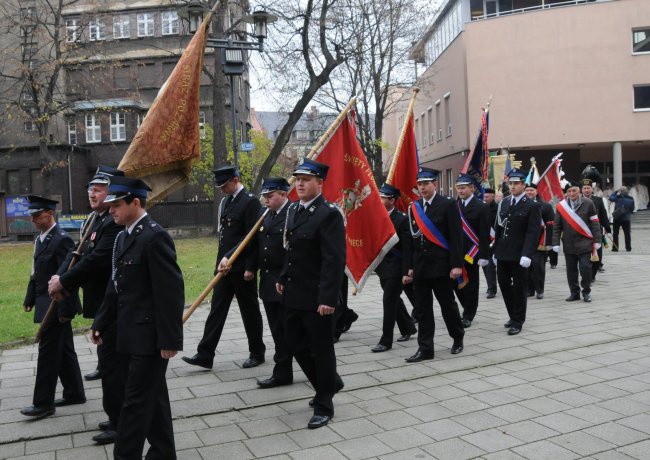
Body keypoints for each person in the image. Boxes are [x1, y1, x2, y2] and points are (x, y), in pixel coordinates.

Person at [91, 176, 184, 459]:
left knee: (133, 404)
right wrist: (101, 321)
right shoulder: (123, 236)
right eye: (110, 206)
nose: (111, 211)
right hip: (127, 332)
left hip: (150, 338)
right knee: (154, 398)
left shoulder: (154, 236)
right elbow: (116, 286)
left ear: (135, 202)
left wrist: (170, 340)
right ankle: (163, 452)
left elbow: (170, 293)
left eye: (116, 205)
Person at [47, 165, 124, 444]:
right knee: (109, 364)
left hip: (113, 304)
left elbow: (98, 260)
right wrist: (62, 277)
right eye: (91, 188)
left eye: (99, 189)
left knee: (112, 365)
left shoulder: (113, 223)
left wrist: (64, 282)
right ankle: (117, 414)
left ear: (112, 193)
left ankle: (121, 423)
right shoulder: (95, 218)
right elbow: (79, 252)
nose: (92, 193)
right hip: (101, 303)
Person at [276, 158, 345, 429]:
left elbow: (333, 260)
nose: (300, 183)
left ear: (320, 183)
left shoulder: (328, 213)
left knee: (321, 349)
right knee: (293, 343)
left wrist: (328, 299)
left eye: (306, 179)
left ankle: (324, 402)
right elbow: (291, 249)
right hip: (294, 293)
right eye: (298, 179)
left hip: (318, 298)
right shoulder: (294, 210)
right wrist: (283, 276)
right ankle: (328, 383)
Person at [183, 166, 266, 370]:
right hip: (224, 268)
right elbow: (225, 237)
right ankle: (205, 354)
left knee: (249, 311)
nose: (222, 189)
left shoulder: (250, 201)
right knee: (216, 310)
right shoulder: (227, 201)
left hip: (241, 269)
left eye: (225, 185)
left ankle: (257, 352)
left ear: (236, 179)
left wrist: (250, 268)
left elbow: (252, 237)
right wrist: (221, 260)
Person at [20, 195, 85, 420]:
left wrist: (66, 311)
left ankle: (43, 403)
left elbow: (67, 276)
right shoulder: (40, 239)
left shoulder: (62, 239)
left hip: (56, 306)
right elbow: (36, 271)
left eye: (37, 215)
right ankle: (75, 392)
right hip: (44, 302)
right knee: (64, 349)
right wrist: (30, 298)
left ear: (50, 213)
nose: (33, 220)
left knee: (47, 353)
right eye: (32, 216)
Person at [406, 167, 465, 362]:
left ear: (435, 184)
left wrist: (457, 265)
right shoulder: (414, 208)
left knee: (447, 306)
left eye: (426, 183)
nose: (422, 187)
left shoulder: (448, 205)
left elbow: (456, 237)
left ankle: (457, 337)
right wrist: (409, 266)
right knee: (422, 310)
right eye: (419, 184)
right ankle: (425, 349)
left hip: (442, 267)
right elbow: (411, 241)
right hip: (421, 267)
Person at [243, 177, 294, 389]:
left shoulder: (293, 214)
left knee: (291, 331)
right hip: (268, 281)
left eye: (270, 196)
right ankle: (283, 372)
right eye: (264, 196)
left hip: (286, 282)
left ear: (283, 194)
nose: (266, 200)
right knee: (277, 329)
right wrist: (249, 267)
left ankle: (324, 374)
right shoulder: (265, 215)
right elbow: (256, 244)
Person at [493, 169, 541, 336]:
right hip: (503, 252)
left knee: (520, 288)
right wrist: (494, 250)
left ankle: (518, 320)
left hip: (519, 254)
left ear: (523, 185)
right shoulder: (504, 203)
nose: (512, 186)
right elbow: (498, 227)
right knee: (504, 285)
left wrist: (527, 254)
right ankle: (512, 315)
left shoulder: (531, 205)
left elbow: (533, 232)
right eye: (510, 183)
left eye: (516, 184)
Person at [370, 183, 417, 353]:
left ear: (392, 200)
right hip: (382, 266)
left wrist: (407, 271)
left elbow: (407, 247)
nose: (380, 200)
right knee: (394, 300)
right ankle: (408, 327)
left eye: (383, 197)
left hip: (396, 268)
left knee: (389, 301)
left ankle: (386, 340)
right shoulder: (377, 217)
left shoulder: (402, 219)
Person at [553, 181, 602, 303]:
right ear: (566, 193)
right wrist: (555, 242)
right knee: (571, 270)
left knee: (585, 268)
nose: (571, 193)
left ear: (579, 191)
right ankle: (574, 292)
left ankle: (586, 291)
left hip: (585, 242)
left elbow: (595, 223)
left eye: (574, 190)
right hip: (569, 243)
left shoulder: (588, 203)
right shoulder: (561, 206)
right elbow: (557, 226)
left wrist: (597, 240)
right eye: (569, 191)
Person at [453, 174, 491, 328]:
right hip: (456, 251)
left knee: (472, 284)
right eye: (459, 188)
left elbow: (484, 233)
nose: (460, 191)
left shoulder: (482, 207)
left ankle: (469, 314)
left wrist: (484, 254)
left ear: (472, 188)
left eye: (463, 188)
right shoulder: (454, 206)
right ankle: (465, 306)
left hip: (472, 252)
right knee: (457, 283)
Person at [524, 183, 554, 300]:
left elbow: (551, 224)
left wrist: (550, 243)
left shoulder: (545, 206)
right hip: (525, 241)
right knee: (526, 267)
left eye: (532, 190)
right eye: (527, 190)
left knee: (538, 267)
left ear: (536, 192)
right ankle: (529, 290)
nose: (529, 192)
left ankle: (539, 289)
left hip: (540, 242)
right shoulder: (522, 204)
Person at [581, 178, 611, 279]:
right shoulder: (577, 200)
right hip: (582, 231)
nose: (586, 190)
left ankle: (593, 274)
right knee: (583, 255)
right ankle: (586, 274)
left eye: (588, 188)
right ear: (581, 189)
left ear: (592, 189)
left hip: (596, 231)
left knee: (598, 254)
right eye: (584, 188)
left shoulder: (598, 200)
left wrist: (607, 227)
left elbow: (603, 214)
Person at [482, 188, 498, 299]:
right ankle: (490, 287)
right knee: (486, 265)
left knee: (491, 266)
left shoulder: (498, 208)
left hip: (496, 240)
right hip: (485, 240)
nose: (485, 199)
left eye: (487, 197)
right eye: (484, 197)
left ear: (493, 196)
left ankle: (492, 288)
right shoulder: (482, 208)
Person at [609, 186, 635, 252]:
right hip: (626, 218)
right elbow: (632, 209)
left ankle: (615, 248)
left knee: (615, 234)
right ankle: (628, 248)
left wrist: (616, 192)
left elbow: (610, 198)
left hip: (617, 218)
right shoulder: (631, 199)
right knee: (627, 234)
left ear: (620, 191)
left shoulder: (617, 198)